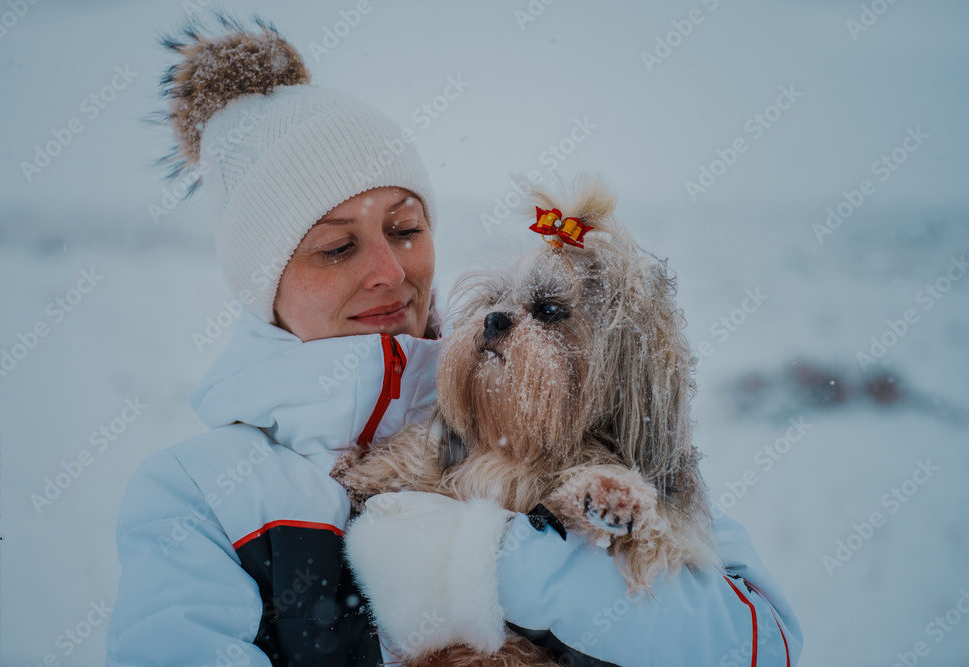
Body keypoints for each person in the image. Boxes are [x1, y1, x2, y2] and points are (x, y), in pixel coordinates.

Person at [106, 16, 802, 667]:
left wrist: (491, 559)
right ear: (264, 284)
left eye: (405, 229)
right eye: (338, 247)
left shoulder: (567, 427)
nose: (388, 271)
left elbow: (766, 646)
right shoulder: (202, 494)